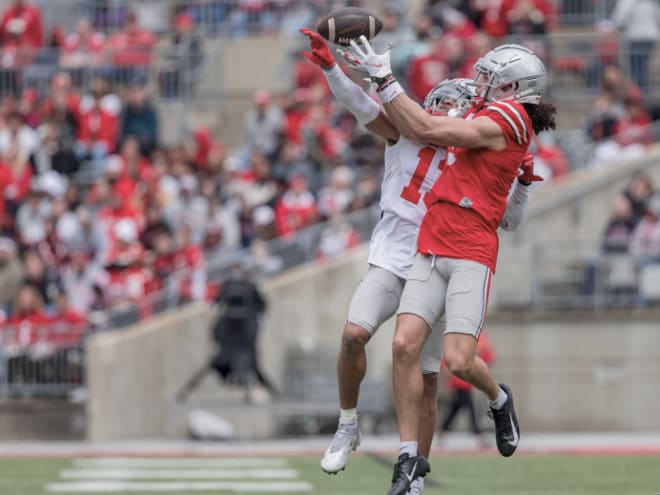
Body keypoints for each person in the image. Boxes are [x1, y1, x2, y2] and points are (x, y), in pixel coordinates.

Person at [301, 29, 540, 494]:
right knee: (356, 334)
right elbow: (364, 107)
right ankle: (348, 425)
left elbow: (507, 217)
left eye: (458, 102)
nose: (449, 107)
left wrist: (523, 182)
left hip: (443, 254)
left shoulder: (475, 144)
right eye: (442, 101)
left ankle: (414, 474)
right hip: (398, 255)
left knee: (430, 374)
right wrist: (333, 68)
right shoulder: (409, 131)